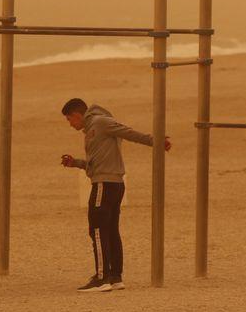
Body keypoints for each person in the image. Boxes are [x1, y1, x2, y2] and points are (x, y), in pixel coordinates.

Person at [59, 98, 171, 292]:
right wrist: (75, 163)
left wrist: (156, 141)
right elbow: (95, 165)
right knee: (109, 229)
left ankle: (102, 278)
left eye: (69, 120)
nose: (70, 124)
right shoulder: (93, 129)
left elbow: (129, 132)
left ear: (77, 115)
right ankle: (115, 276)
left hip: (105, 184)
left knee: (97, 229)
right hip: (110, 183)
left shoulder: (100, 122)